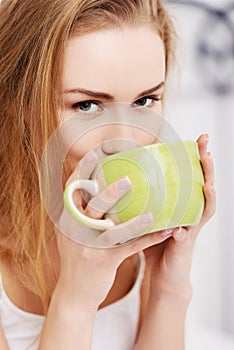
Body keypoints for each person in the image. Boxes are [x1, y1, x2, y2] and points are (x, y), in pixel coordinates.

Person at [0, 0, 216, 349]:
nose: (126, 142)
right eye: (86, 106)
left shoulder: (135, 230)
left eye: (145, 101)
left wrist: (168, 288)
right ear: (17, 100)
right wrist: (75, 299)